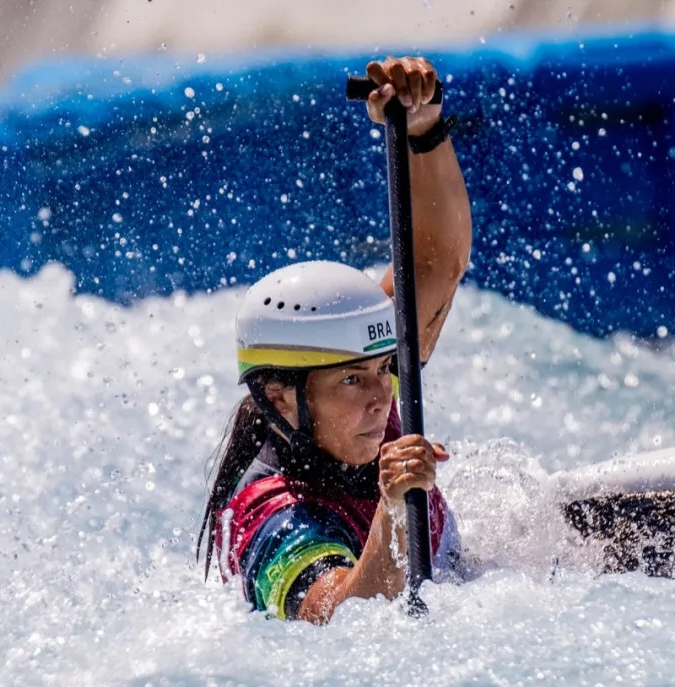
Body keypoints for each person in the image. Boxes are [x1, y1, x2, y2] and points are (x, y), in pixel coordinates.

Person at [197, 56, 471, 624]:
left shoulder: (363, 397)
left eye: (384, 368)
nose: (381, 396)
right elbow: (343, 620)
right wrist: (394, 512)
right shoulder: (266, 515)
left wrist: (423, 126)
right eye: (352, 379)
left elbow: (438, 260)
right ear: (280, 397)